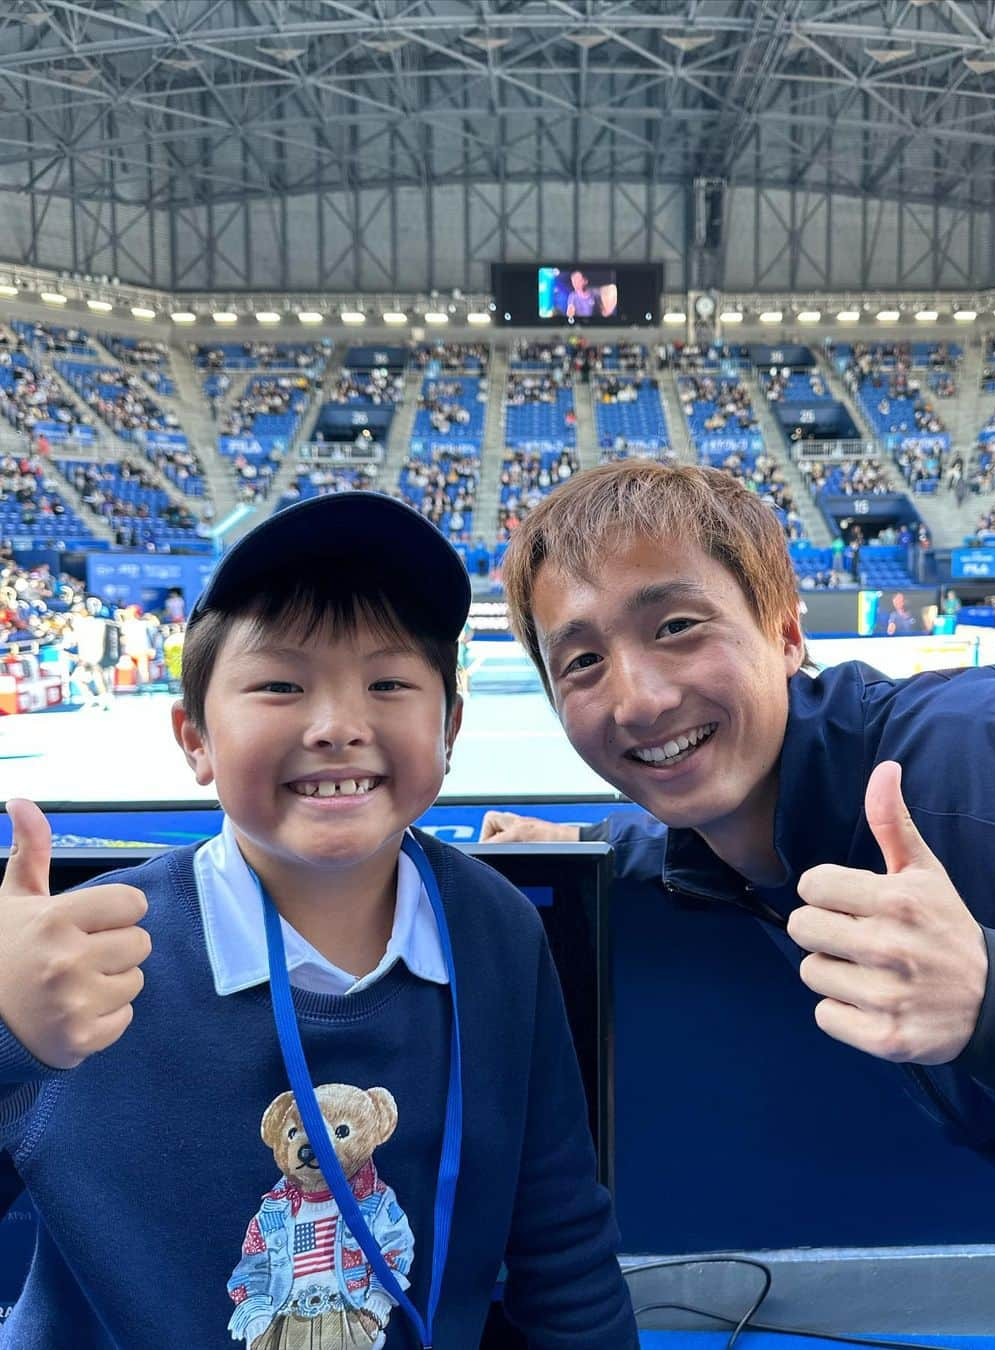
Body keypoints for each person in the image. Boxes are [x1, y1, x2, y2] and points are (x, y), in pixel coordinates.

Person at [0, 493, 636, 1348]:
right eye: (280, 685)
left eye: (388, 682)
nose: (338, 725)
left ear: (448, 727)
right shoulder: (79, 958)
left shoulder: (497, 934)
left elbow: (560, 1245)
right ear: (195, 738)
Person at [485, 459, 995, 1348]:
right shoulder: (739, 836)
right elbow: (705, 847)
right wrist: (587, 847)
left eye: (678, 626)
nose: (639, 699)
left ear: (787, 633)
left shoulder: (976, 751)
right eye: (582, 663)